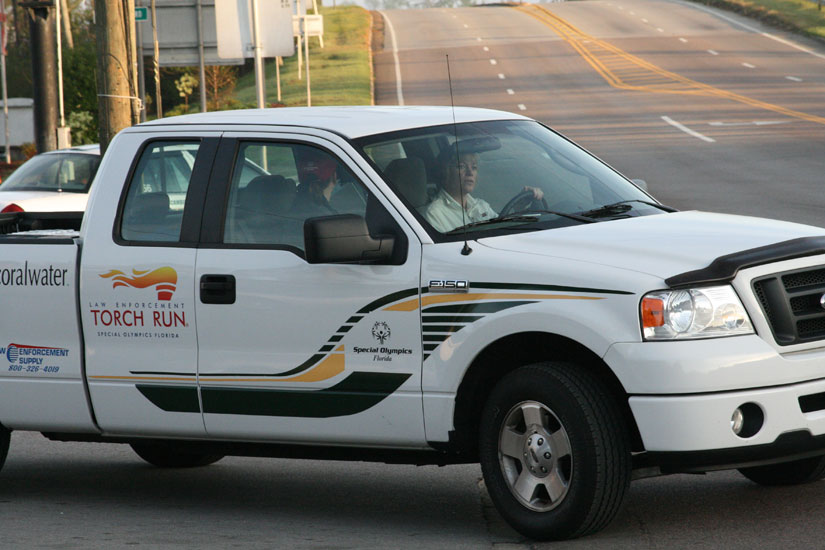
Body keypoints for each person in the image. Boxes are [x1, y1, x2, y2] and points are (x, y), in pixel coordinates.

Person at [424, 150, 543, 233]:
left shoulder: (481, 205)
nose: (470, 173)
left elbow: (502, 232)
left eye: (474, 167)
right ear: (446, 172)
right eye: (461, 166)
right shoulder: (434, 213)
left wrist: (518, 209)